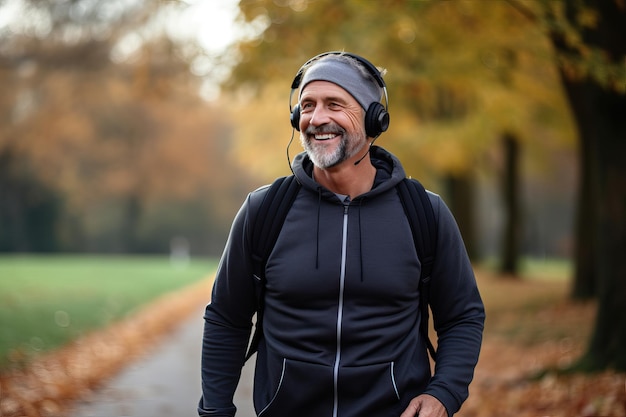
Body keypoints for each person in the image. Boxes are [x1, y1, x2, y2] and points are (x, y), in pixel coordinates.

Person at [198, 51, 485, 417]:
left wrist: (444, 393)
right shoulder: (265, 210)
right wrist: (215, 410)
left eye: (335, 104)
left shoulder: (424, 213)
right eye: (307, 105)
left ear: (373, 118)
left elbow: (462, 315)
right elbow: (227, 318)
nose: (317, 119)